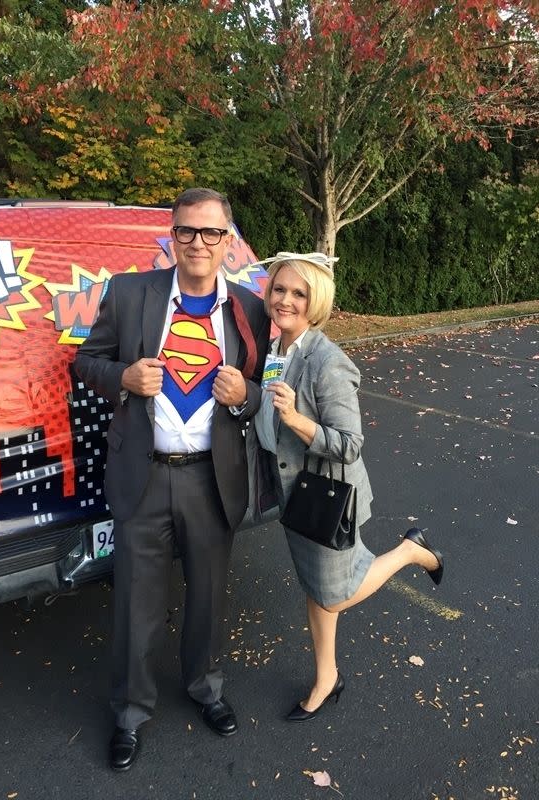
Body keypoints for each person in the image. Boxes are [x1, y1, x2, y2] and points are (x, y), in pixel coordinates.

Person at [74, 188, 270, 771]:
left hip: (212, 477)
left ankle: (206, 689)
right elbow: (85, 362)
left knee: (208, 596)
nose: (199, 244)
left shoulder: (251, 311)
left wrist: (247, 396)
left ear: (228, 241)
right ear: (172, 236)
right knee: (136, 602)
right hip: (145, 474)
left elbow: (268, 386)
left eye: (212, 233)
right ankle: (131, 714)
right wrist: (125, 376)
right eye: (188, 231)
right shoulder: (131, 294)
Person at [253, 252, 444, 721]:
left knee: (333, 595)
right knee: (317, 589)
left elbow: (349, 445)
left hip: (326, 499)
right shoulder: (275, 348)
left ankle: (409, 551)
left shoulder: (326, 362)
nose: (286, 300)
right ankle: (326, 677)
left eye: (299, 293)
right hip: (294, 495)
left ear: (315, 302)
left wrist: (298, 420)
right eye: (280, 289)